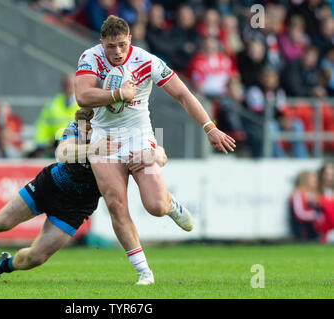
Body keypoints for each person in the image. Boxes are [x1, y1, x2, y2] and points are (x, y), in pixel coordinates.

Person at [74, 15, 235, 285]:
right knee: (116, 204)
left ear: (130, 41)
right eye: (111, 46)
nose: (117, 52)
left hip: (138, 136)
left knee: (155, 206)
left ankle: (169, 204)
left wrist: (210, 128)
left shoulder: (147, 61)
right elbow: (82, 96)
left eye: (122, 45)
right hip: (104, 138)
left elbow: (183, 94)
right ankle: (143, 272)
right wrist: (117, 95)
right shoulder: (90, 57)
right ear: (102, 42)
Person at [0, 109, 168, 284]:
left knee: (35, 258)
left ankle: (1, 265)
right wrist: (93, 149)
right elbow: (63, 153)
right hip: (50, 186)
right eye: (83, 123)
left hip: (76, 208)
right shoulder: (75, 128)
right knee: (1, 221)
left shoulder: (123, 135)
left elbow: (160, 155)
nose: (85, 126)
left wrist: (156, 155)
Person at [34, 74, 80, 157]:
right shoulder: (53, 104)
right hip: (53, 148)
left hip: (75, 149)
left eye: (71, 84)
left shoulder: (83, 104)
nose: (68, 87)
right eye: (66, 84)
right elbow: (42, 126)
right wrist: (41, 145)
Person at [289, 170, 323, 241]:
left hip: (313, 229)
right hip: (302, 229)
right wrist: (316, 215)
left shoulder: (314, 194)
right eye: (313, 179)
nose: (316, 181)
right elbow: (299, 213)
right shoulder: (298, 194)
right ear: (305, 180)